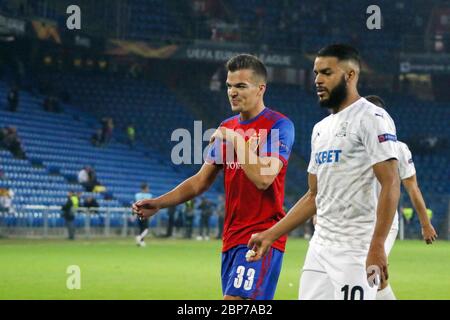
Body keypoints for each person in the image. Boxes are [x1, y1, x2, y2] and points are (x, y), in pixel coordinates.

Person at [133, 54, 295, 300]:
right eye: (229, 86)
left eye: (241, 86)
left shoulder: (278, 125)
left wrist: (235, 139)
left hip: (261, 236)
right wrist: (159, 203)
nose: (232, 92)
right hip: (231, 239)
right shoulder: (227, 126)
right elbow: (199, 182)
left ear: (261, 88)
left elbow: (264, 178)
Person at [248, 44, 400, 300]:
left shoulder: (372, 117)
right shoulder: (320, 129)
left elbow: (391, 182)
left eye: (326, 72)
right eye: (316, 72)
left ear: (350, 75)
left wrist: (377, 245)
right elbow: (313, 195)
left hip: (357, 247)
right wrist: (270, 235)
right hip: (320, 247)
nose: (317, 79)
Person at [364, 94, 438, 300]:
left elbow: (412, 187)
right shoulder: (352, 146)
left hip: (385, 222)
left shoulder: (398, 148)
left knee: (371, 273)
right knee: (376, 278)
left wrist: (425, 224)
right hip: (356, 221)